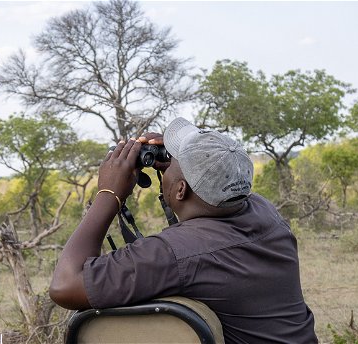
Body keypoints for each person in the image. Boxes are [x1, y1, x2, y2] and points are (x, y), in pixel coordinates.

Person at [49, 117, 318, 343]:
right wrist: (186, 166)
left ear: (180, 190)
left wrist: (108, 193)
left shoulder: (175, 252)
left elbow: (65, 287)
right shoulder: (264, 210)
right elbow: (215, 186)